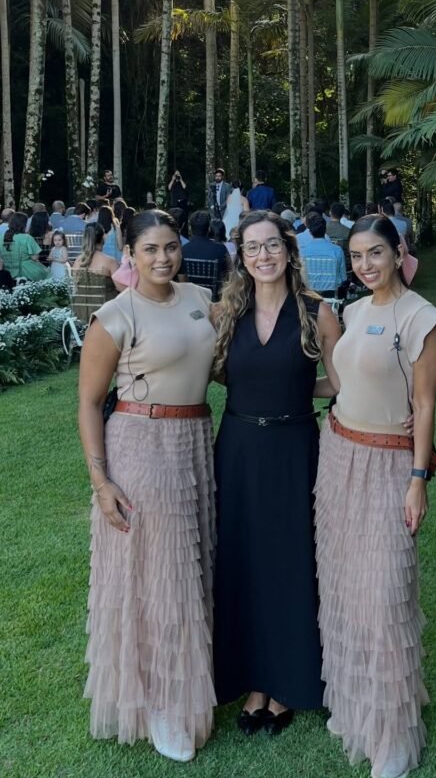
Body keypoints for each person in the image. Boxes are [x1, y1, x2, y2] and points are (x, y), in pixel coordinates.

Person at [78, 209, 217, 763]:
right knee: (162, 574)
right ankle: (162, 702)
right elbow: (89, 402)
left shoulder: (199, 299)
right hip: (142, 442)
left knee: (192, 563)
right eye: (151, 249)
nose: (164, 258)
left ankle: (191, 686)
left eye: (172, 247)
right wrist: (100, 480)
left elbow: (232, 364)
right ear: (129, 253)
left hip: (196, 441)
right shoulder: (114, 316)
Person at [315, 213, 436, 778]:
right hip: (338, 455)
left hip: (391, 463)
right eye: (356, 257)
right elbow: (343, 384)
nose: (365, 265)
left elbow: (426, 405)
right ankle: (355, 706)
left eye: (375, 253)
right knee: (344, 586)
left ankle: (392, 734)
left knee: (385, 592)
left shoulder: (421, 319)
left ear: (398, 252)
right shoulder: (351, 311)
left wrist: (417, 480)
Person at [212, 210, 341, 737]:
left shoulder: (317, 311)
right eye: (251, 248)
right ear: (240, 257)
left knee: (290, 559)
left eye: (271, 246)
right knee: (242, 560)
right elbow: (214, 372)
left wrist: (292, 392)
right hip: (239, 448)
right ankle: (253, 682)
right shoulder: (226, 311)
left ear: (289, 250)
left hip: (293, 448)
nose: (262, 256)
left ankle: (287, 683)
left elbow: (339, 384)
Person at [299, 213, 346, 295]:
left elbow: (300, 279)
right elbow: (343, 278)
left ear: (309, 232)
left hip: (311, 297)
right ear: (325, 230)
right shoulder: (337, 250)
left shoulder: (302, 252)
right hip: (333, 297)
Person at [1, 212, 48, 281]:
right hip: (26, 271)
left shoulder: (1, 237)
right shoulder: (27, 237)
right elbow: (34, 257)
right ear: (24, 225)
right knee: (47, 274)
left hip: (7, 271)